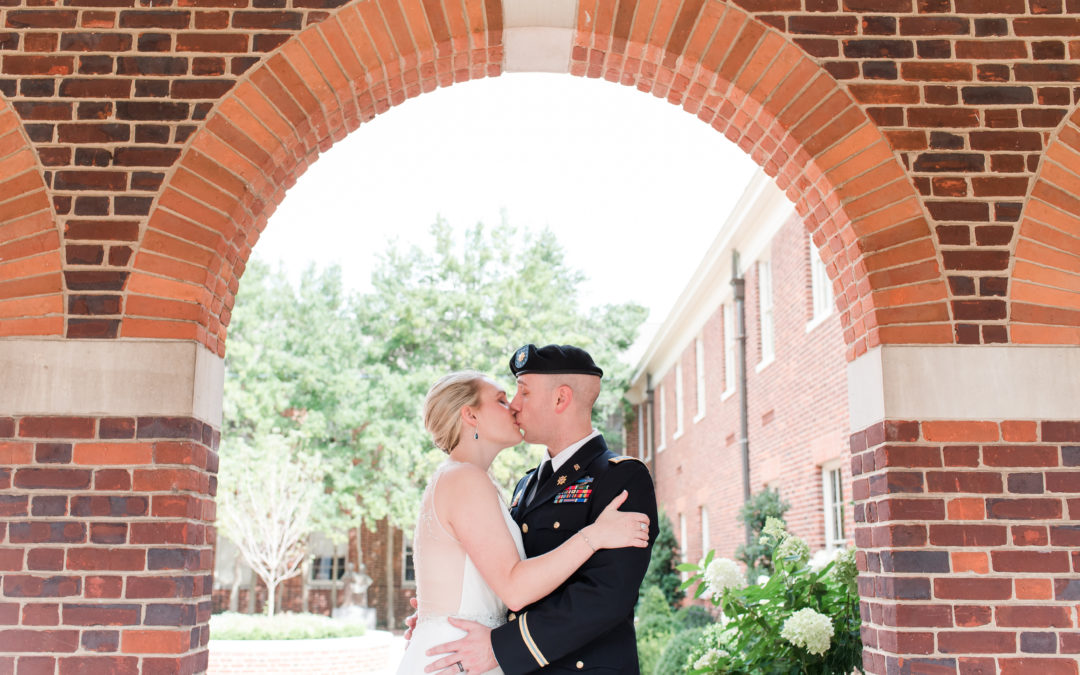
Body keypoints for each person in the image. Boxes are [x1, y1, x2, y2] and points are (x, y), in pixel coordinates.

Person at [419, 344, 659, 674]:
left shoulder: (621, 477)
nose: (515, 406)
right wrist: (446, 613)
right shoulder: (525, 485)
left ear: (560, 399)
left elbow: (605, 596)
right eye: (506, 398)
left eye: (523, 393)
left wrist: (500, 647)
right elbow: (504, 576)